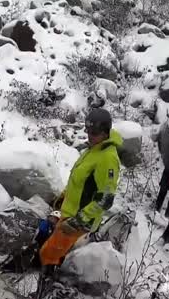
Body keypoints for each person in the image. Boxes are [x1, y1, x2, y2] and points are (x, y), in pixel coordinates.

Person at [39, 108, 122, 274]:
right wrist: (62, 197)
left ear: (106, 133)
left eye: (95, 132)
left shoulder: (107, 158)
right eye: (89, 131)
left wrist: (79, 220)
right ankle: (52, 276)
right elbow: (79, 181)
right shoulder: (93, 149)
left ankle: (45, 291)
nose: (90, 135)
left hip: (80, 219)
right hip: (69, 213)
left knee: (49, 254)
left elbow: (105, 199)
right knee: (53, 250)